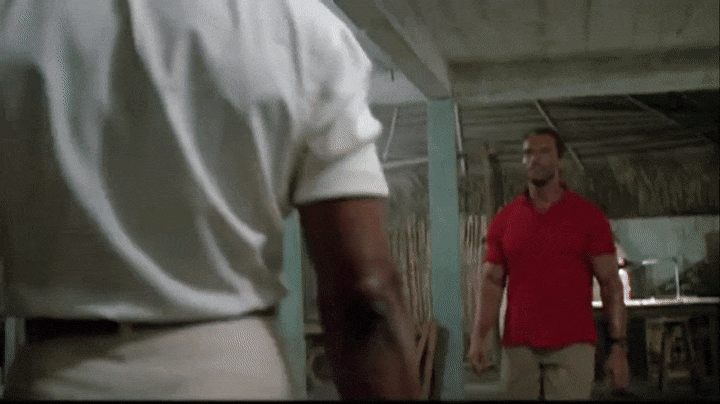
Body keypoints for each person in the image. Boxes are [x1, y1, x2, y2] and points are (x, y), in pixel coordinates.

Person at [0, 0, 420, 400]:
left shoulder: (16, 23)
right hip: (232, 374)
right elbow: (365, 294)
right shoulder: (301, 31)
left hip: (55, 374)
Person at [467, 128, 629, 400]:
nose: (535, 158)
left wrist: (618, 348)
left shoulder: (588, 217)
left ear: (560, 161)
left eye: (544, 151)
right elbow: (491, 282)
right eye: (528, 153)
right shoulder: (506, 220)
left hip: (573, 344)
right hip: (519, 345)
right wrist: (478, 337)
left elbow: (611, 283)